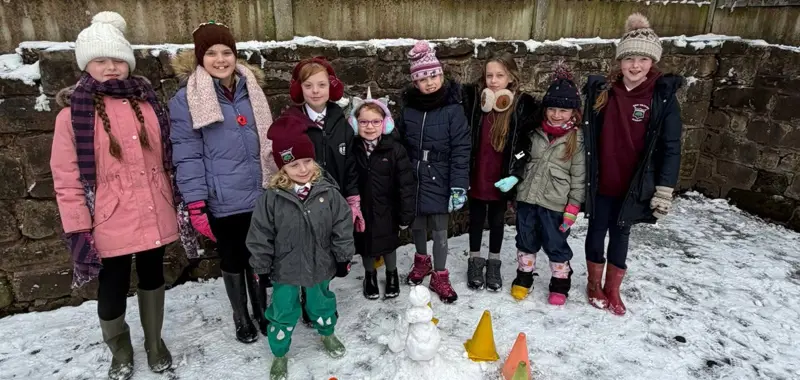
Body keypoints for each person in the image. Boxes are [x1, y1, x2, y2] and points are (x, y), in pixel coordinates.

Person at [51, 11, 185, 379]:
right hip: (106, 219)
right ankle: (120, 349)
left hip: (154, 208)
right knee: (111, 286)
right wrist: (79, 227)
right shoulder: (71, 116)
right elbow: (66, 177)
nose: (110, 67)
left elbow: (166, 158)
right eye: (100, 60)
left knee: (153, 276)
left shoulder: (148, 103)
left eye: (117, 60)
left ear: (128, 63)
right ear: (86, 64)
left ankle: (154, 342)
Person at [168, 21, 276, 342]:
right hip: (221, 198)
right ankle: (240, 315)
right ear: (200, 57)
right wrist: (197, 202)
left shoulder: (251, 90)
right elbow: (186, 155)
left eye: (226, 52)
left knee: (258, 256)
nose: (220, 59)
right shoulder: (186, 99)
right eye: (211, 53)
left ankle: (261, 311)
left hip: (258, 193)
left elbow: (268, 140)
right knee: (232, 259)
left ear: (235, 54)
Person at [583, 13, 683, 315]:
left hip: (634, 185)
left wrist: (664, 189)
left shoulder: (662, 98)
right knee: (596, 231)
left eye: (643, 59)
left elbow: (671, 147)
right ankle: (593, 284)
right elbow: (586, 133)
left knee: (621, 234)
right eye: (629, 59)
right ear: (620, 61)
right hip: (602, 182)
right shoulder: (603, 92)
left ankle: (613, 289)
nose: (635, 66)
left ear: (652, 62)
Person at [247, 112, 355, 380]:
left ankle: (327, 334)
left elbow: (342, 226)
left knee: (322, 303)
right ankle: (280, 352)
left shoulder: (328, 193)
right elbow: (260, 234)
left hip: (320, 264)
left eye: (307, 161)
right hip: (286, 268)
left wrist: (342, 257)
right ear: (282, 168)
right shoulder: (272, 199)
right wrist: (261, 266)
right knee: (283, 310)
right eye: (294, 165)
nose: (303, 169)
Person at [278, 57, 364, 324]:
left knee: (326, 253)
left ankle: (320, 300)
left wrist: (353, 199)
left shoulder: (342, 122)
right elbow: (284, 165)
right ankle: (304, 297)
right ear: (300, 89)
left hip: (334, 204)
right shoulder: (292, 123)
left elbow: (350, 165)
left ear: (331, 87)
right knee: (306, 251)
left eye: (321, 85)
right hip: (304, 202)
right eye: (308, 85)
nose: (315, 91)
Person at [397, 41, 471, 303]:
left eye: (434, 76)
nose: (430, 83)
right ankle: (421, 262)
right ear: (415, 82)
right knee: (417, 225)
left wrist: (459, 185)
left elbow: (462, 148)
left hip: (441, 176)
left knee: (440, 230)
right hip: (414, 176)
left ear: (441, 75)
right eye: (423, 78)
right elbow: (399, 142)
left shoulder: (453, 109)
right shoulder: (408, 110)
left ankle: (440, 274)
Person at [462, 52, 537, 292]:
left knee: (496, 221)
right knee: (474, 219)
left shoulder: (519, 108)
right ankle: (475, 259)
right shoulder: (476, 102)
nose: (493, 81)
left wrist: (515, 174)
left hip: (500, 177)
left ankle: (493, 261)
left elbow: (524, 147)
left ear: (511, 78)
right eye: (489, 75)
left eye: (500, 75)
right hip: (477, 174)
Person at [511, 63, 586, 305]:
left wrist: (573, 207)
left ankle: (561, 281)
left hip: (555, 203)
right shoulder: (533, 133)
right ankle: (524, 276)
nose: (556, 114)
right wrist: (515, 191)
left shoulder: (576, 140)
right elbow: (521, 161)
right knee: (525, 239)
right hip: (527, 198)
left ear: (574, 113)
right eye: (552, 108)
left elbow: (579, 177)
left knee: (555, 243)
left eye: (563, 110)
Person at [348, 89, 416, 300]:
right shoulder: (352, 149)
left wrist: (405, 215)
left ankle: (391, 273)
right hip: (363, 209)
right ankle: (370, 275)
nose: (370, 127)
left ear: (385, 123)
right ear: (355, 123)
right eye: (364, 122)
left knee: (389, 244)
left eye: (376, 122)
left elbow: (405, 185)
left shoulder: (395, 150)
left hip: (389, 210)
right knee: (365, 245)